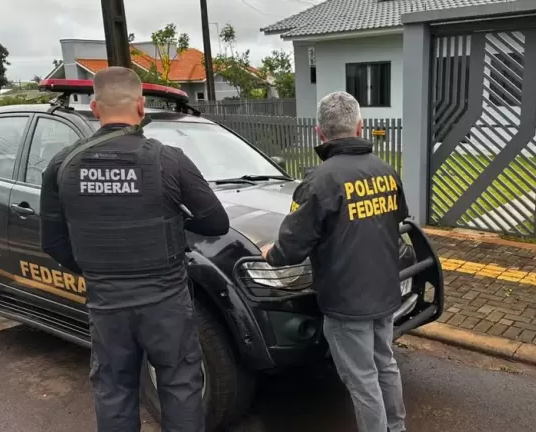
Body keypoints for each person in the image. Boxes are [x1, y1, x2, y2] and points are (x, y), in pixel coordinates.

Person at [40, 66, 229, 432]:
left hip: (107, 304)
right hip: (166, 303)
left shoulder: (62, 164)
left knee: (114, 390)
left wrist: (99, 271)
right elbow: (215, 222)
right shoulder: (167, 159)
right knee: (180, 385)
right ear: (141, 106)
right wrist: (175, 224)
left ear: (95, 108)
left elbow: (54, 242)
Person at [260, 91, 409, 432]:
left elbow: (292, 246)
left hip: (345, 303)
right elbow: (393, 222)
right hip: (384, 294)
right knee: (385, 365)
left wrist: (272, 253)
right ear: (361, 126)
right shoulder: (386, 171)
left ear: (319, 132)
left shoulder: (319, 180)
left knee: (362, 380)